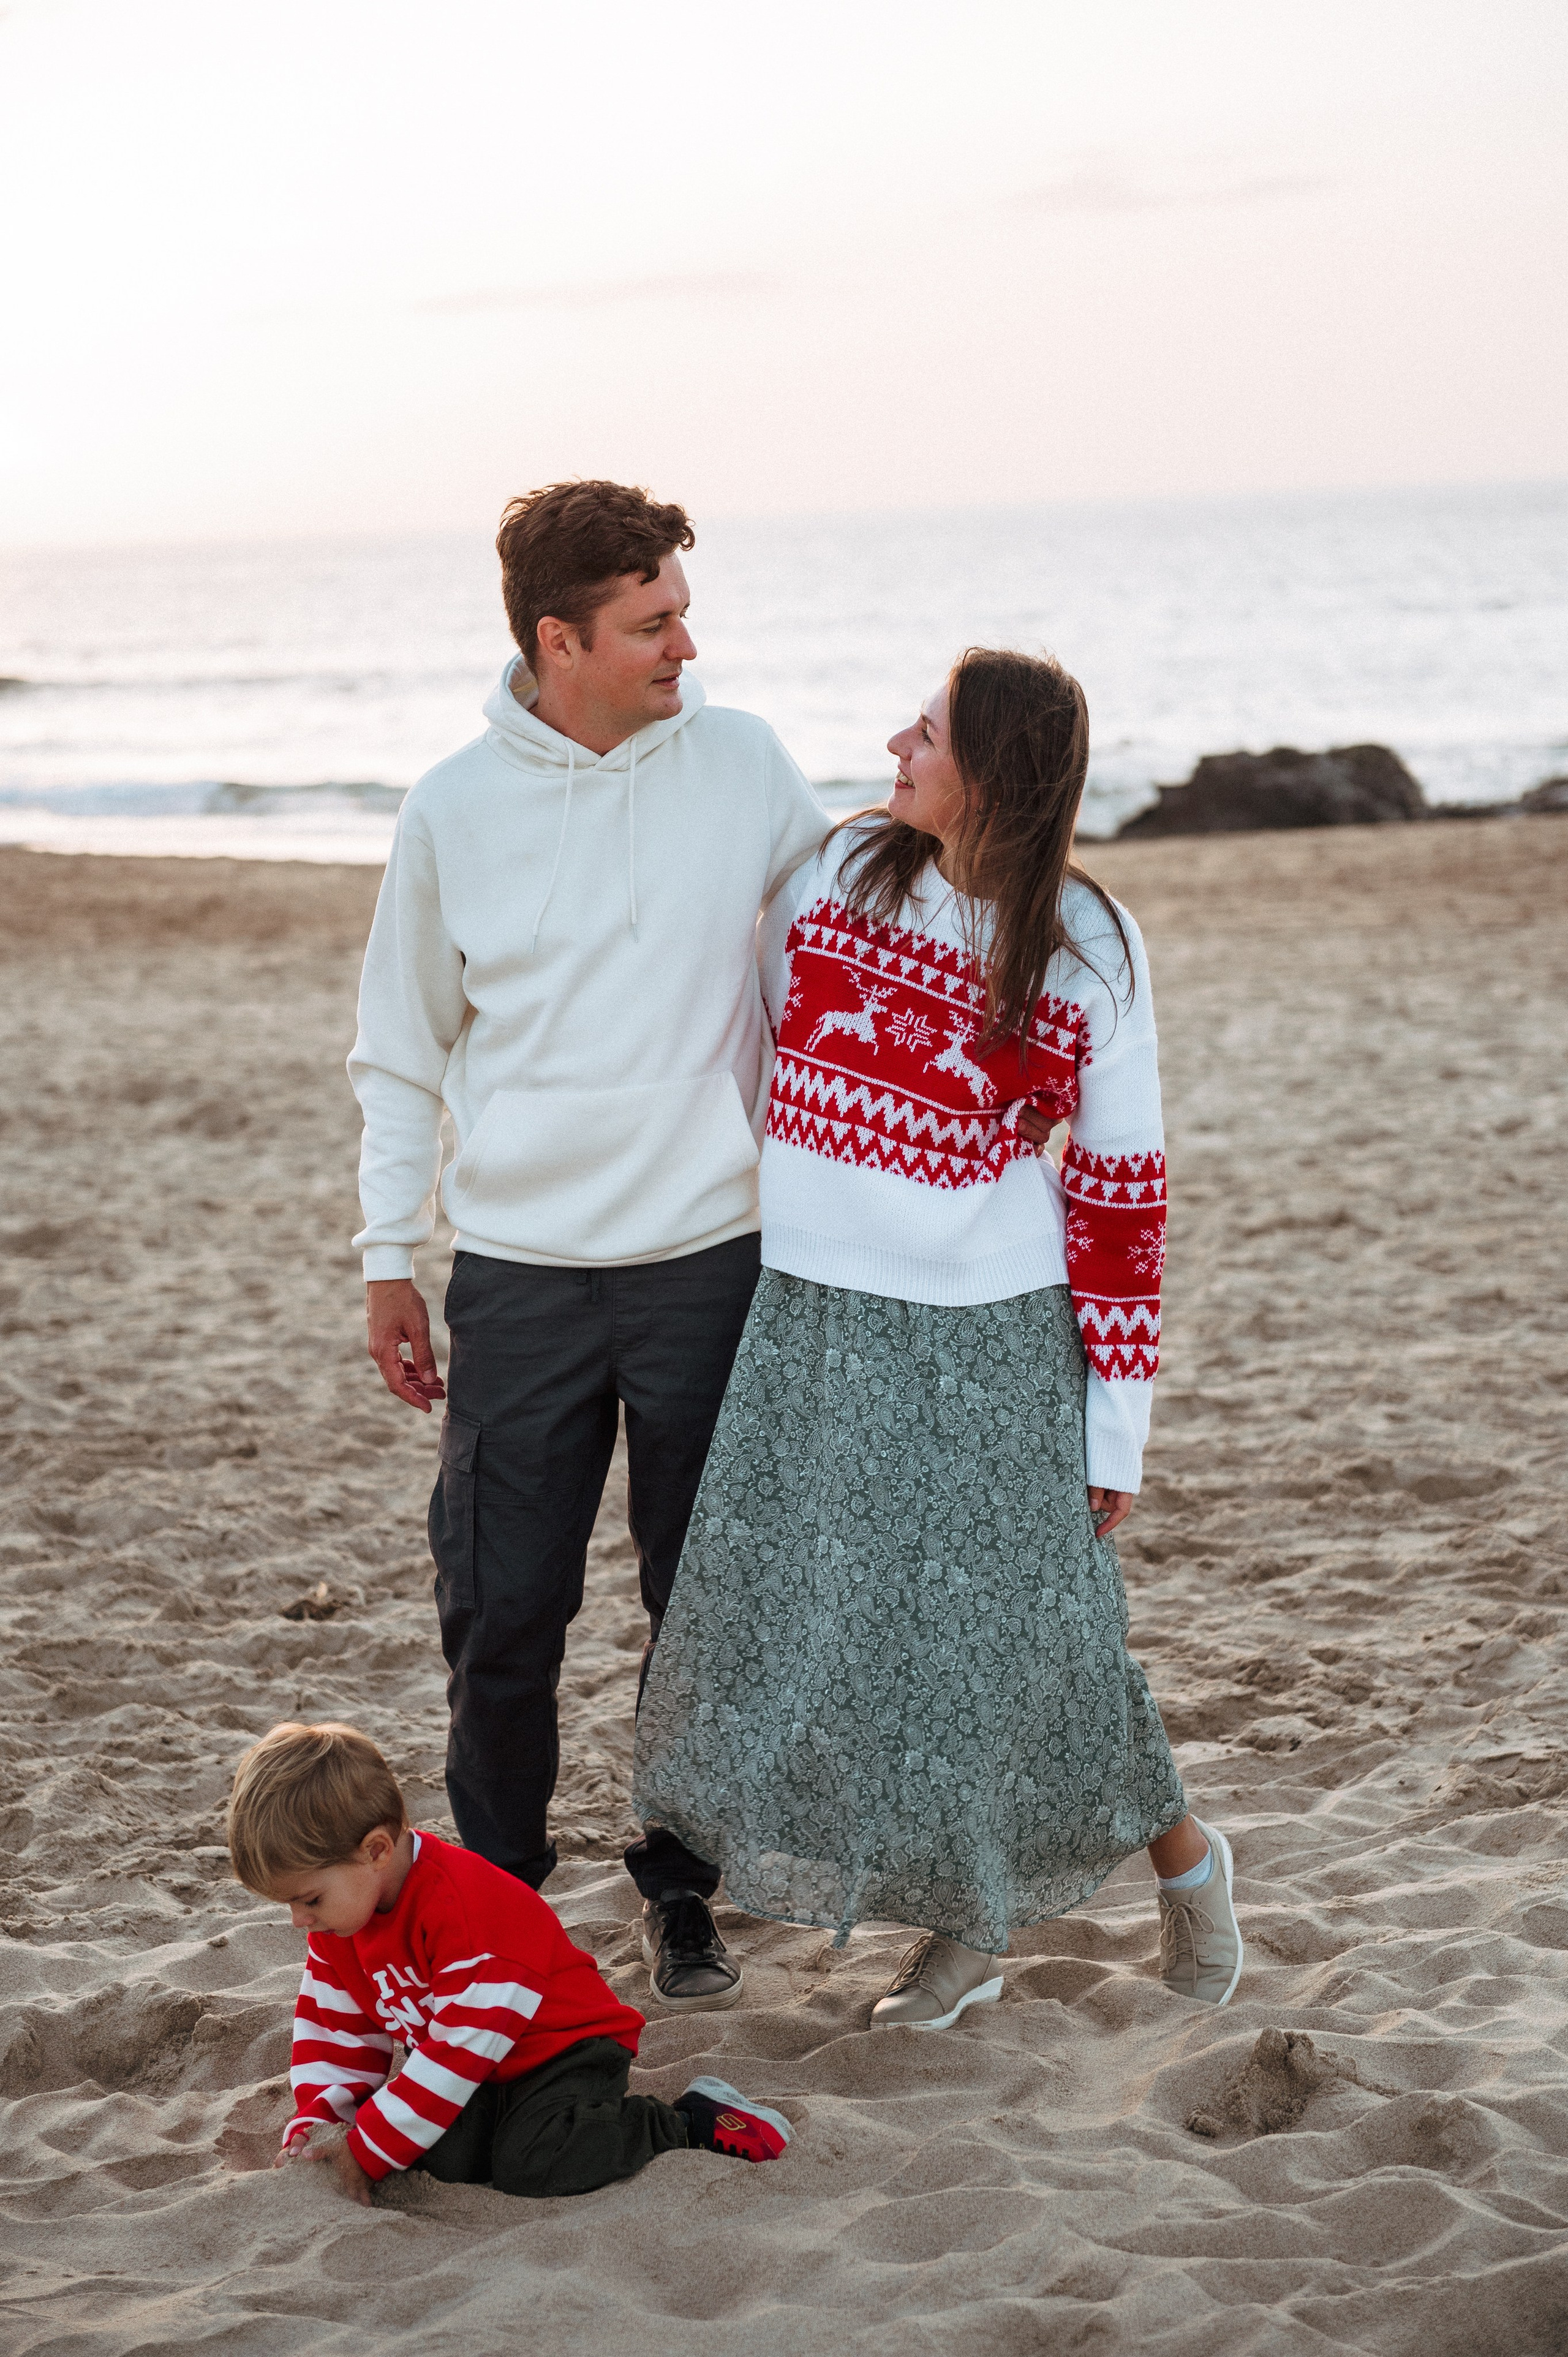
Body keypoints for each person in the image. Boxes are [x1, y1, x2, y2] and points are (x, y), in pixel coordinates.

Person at [634, 646, 1244, 2029]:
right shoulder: (835, 876)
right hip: (816, 1315)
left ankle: (1189, 1863)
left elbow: (1121, 1200)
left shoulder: (1091, 944)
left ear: (995, 774)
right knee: (875, 1636)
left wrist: (1115, 1420)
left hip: (1000, 1335)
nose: (894, 743)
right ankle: (966, 1923)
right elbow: (770, 1048)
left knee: (1045, 1638)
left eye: (927, 730)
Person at [347, 480, 829, 2013]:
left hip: (711, 1254)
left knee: (701, 1605)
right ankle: (496, 1906)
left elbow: (849, 944)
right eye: (654, 622)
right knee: (500, 1607)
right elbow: (398, 1046)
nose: (688, 641)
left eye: (681, 610)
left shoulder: (745, 762)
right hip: (521, 1273)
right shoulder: (453, 805)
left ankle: (683, 1893)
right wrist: (383, 1250)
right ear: (561, 640)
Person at [228, 1721, 792, 2202]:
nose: (300, 1923)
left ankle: (682, 2122)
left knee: (534, 2162)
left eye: (309, 1899)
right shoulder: (341, 1922)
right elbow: (336, 2033)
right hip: (482, 2066)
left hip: (563, 2050)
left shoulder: (463, 1908)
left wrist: (366, 2148)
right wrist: (321, 2129)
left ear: (375, 1851)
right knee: (439, 2158)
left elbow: (462, 2046)